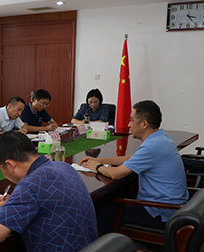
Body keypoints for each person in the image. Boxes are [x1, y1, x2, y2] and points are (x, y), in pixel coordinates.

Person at [78, 100, 188, 233]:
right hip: (170, 207)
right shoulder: (161, 138)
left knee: (96, 212)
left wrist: (97, 166)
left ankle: (113, 245)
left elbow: (116, 174)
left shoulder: (152, 145)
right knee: (108, 200)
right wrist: (99, 159)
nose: (128, 125)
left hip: (160, 212)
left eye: (131, 120)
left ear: (144, 124)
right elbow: (130, 158)